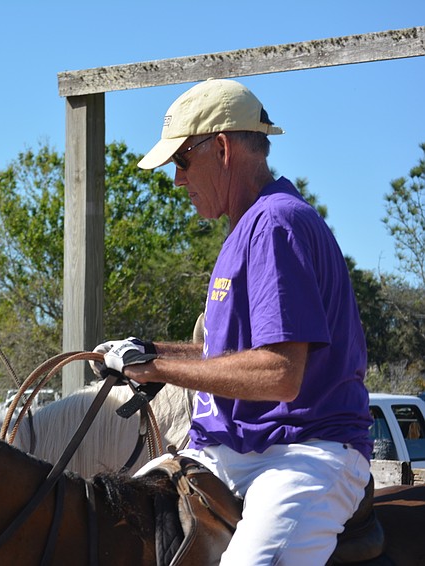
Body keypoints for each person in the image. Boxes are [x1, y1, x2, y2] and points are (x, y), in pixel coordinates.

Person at [91, 79, 372, 565]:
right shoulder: (246, 229)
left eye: (181, 160)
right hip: (230, 453)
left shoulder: (276, 224)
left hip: (302, 455)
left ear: (220, 147)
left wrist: (159, 371)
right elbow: (224, 358)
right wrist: (146, 353)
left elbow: (279, 374)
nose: (177, 179)